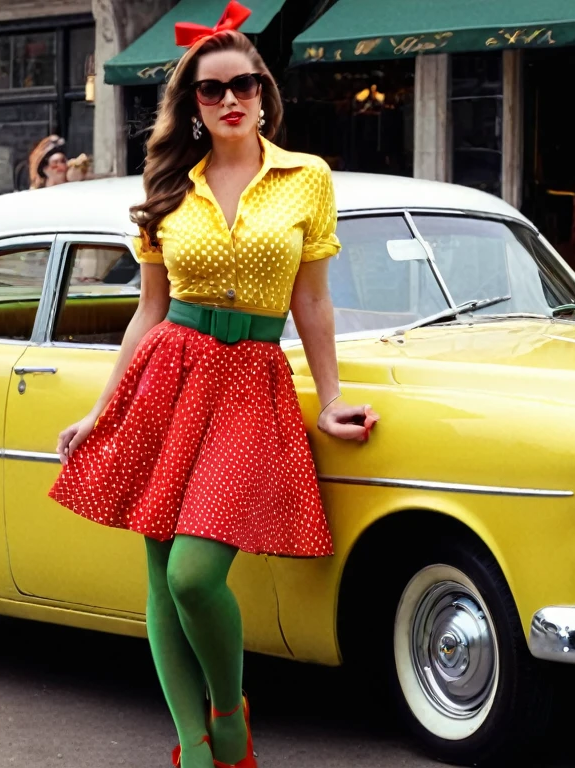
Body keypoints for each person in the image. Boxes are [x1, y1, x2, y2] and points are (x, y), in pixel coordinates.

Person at [48, 5, 377, 766]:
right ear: (191, 105)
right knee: (161, 578)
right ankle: (195, 748)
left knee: (197, 575)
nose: (231, 99)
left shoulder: (306, 179)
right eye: (212, 89)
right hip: (168, 374)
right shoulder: (169, 184)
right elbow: (148, 310)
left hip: (252, 382)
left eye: (245, 84)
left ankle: (229, 709)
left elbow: (313, 301)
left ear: (265, 91)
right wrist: (103, 409)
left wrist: (329, 401)